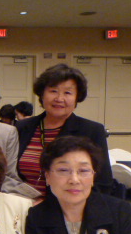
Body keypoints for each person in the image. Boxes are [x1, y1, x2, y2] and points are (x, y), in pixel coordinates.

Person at [17, 64, 112, 197]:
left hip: (69, 205)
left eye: (67, 93)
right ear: (42, 95)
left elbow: (103, 183)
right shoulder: (22, 127)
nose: (59, 99)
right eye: (53, 91)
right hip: (21, 204)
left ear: (77, 98)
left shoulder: (92, 130)